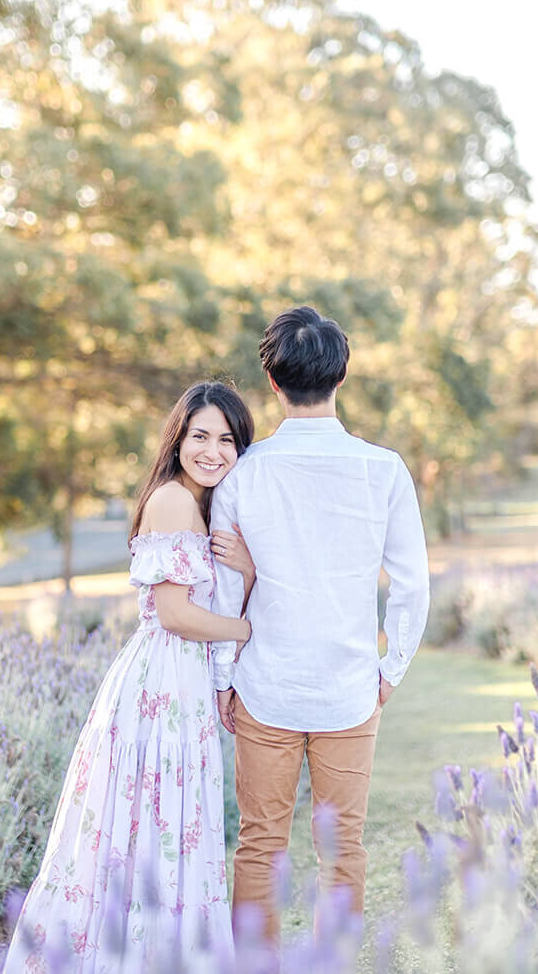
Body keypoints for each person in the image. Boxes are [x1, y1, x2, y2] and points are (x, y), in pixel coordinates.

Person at [3, 382, 255, 973]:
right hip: (162, 684)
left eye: (227, 439)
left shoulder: (200, 503)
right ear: (178, 439)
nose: (213, 450)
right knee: (151, 828)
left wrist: (245, 572)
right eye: (200, 436)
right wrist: (251, 635)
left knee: (163, 828)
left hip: (181, 682)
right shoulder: (173, 500)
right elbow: (174, 613)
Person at [210, 306, 430, 941]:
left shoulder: (242, 472)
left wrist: (224, 677)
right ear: (341, 377)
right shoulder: (384, 469)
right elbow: (413, 583)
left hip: (263, 684)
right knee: (343, 846)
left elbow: (226, 585)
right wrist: (393, 669)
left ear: (273, 384)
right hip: (350, 686)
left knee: (259, 845)